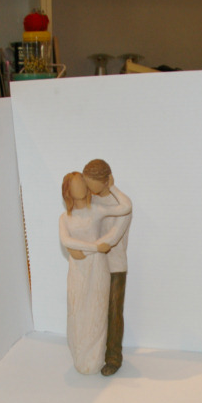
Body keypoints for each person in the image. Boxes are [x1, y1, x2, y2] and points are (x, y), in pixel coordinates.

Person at [59, 171, 132, 375]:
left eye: (83, 183)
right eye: (76, 184)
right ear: (68, 190)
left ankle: (96, 358)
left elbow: (126, 207)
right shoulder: (65, 218)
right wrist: (93, 247)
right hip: (79, 268)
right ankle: (80, 356)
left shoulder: (97, 210)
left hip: (98, 266)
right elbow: (66, 240)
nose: (81, 187)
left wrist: (112, 186)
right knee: (78, 309)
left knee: (97, 311)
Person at [82, 159, 132, 376]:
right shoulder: (89, 199)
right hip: (93, 263)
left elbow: (113, 236)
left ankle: (113, 357)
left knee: (113, 312)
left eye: (91, 183)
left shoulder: (120, 203)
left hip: (114, 266)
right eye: (86, 183)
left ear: (106, 180)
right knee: (94, 309)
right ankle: (93, 353)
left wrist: (90, 247)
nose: (88, 188)